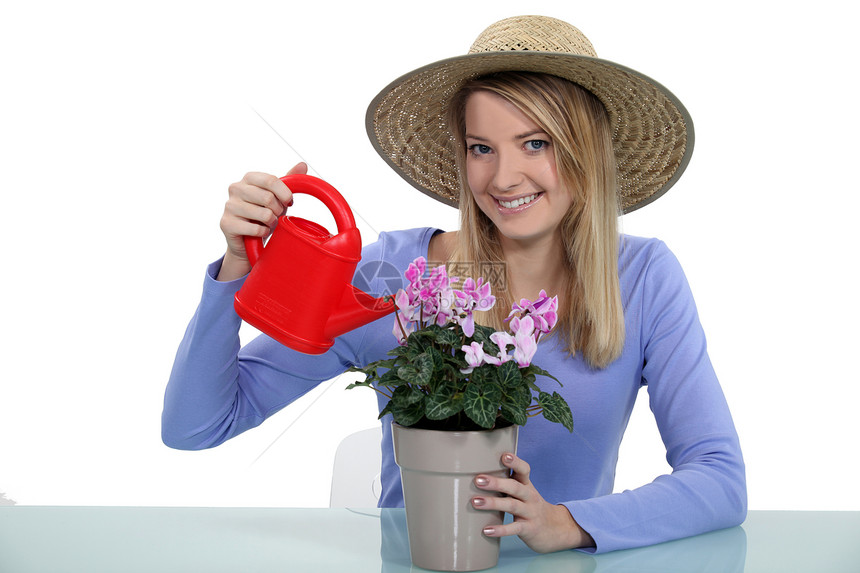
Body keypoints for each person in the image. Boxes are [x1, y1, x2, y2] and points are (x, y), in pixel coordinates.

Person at [163, 15, 746, 554]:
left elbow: (718, 478)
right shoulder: (393, 276)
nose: (504, 176)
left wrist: (566, 523)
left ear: (585, 152)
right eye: (481, 149)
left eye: (535, 143)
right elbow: (197, 425)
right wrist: (234, 272)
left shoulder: (643, 278)